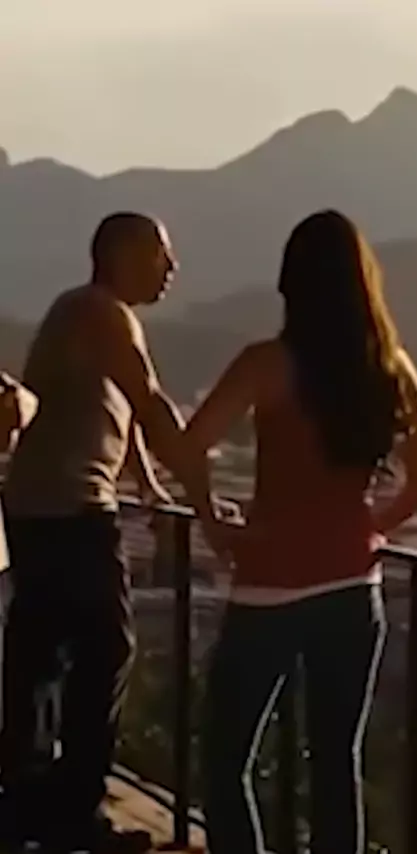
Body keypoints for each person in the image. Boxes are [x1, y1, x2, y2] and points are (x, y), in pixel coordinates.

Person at [185, 211, 417, 854]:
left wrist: (213, 521)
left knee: (225, 758)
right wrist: (365, 528)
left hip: (269, 584)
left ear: (290, 282)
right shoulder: (391, 367)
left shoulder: (265, 363)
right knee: (335, 761)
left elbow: (191, 445)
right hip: (354, 587)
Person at [0, 213, 226, 853]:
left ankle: (26, 802)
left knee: (41, 653)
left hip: (39, 506)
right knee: (104, 651)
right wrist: (203, 501)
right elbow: (149, 404)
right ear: (123, 255)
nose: (171, 267)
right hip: (71, 510)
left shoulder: (85, 312)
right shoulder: (102, 313)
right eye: (161, 254)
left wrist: (149, 484)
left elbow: (113, 414)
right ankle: (75, 809)